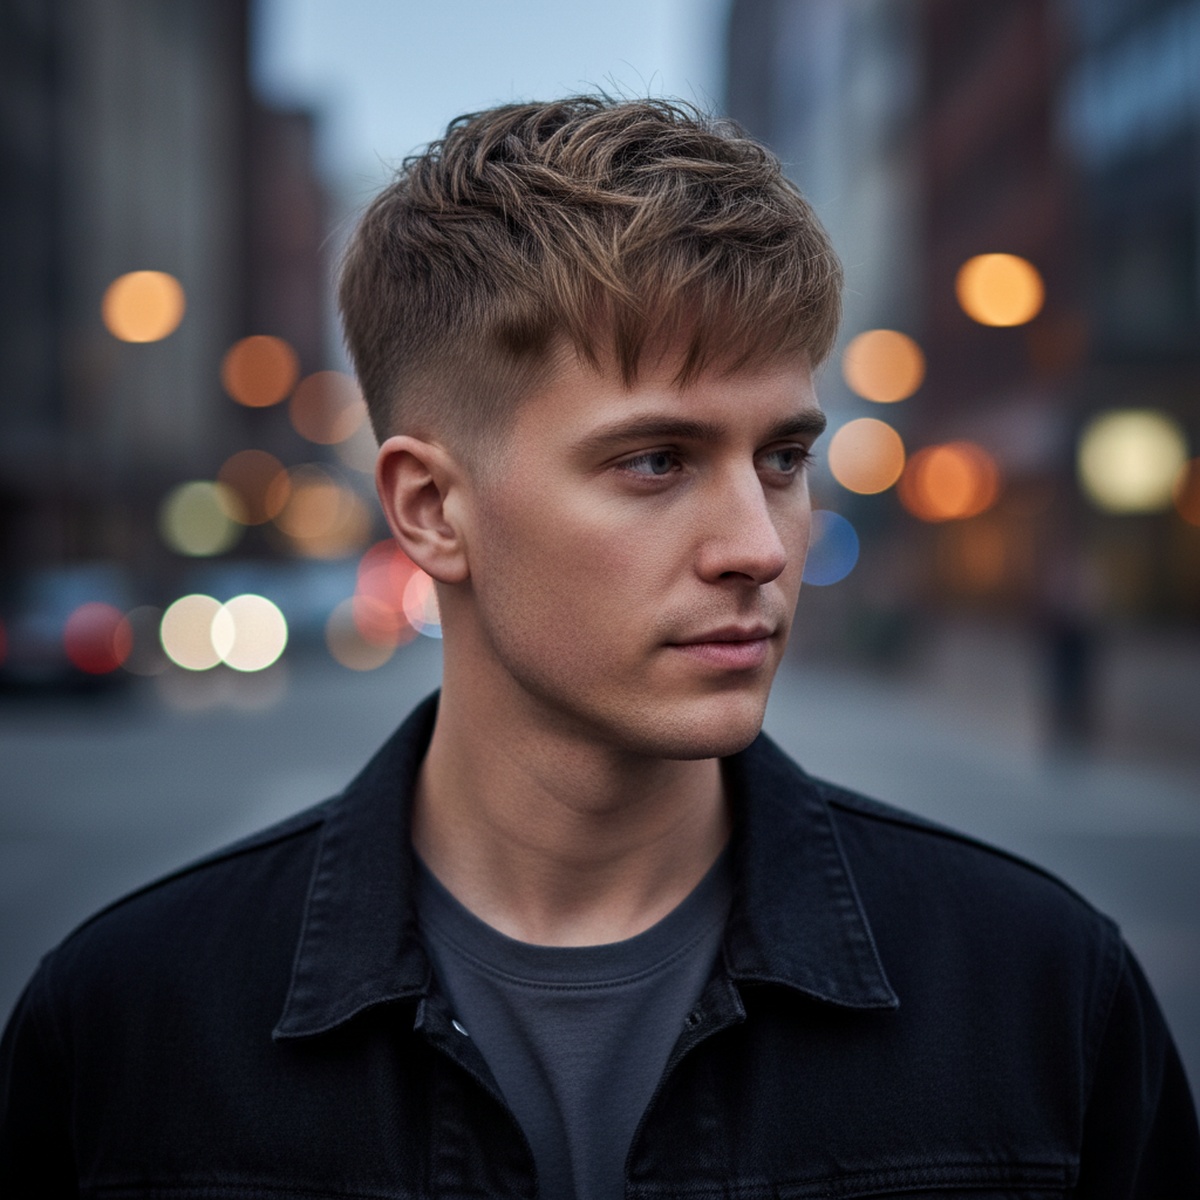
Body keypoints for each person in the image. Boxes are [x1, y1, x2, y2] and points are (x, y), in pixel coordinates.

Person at [1, 96, 1196, 1199]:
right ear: (431, 509)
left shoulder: (1042, 996)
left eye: (783, 459)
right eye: (656, 461)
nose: (760, 547)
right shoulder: (128, 1030)